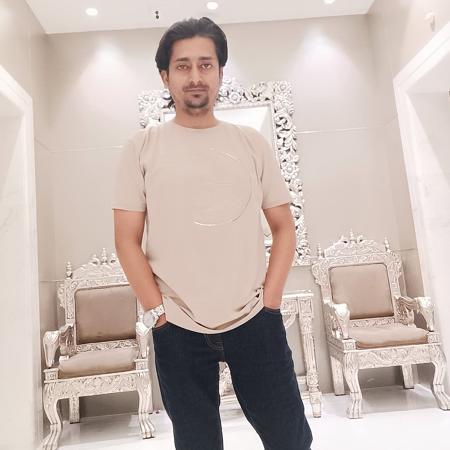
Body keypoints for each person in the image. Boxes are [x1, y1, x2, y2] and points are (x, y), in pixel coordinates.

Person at [112, 16, 313, 450]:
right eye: (182, 66)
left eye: (205, 64)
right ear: (165, 76)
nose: (195, 76)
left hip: (255, 319)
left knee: (290, 439)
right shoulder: (141, 147)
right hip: (177, 325)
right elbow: (126, 239)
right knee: (197, 443)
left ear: (220, 72)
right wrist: (158, 313)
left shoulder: (251, 144)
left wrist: (270, 302)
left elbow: (283, 227)